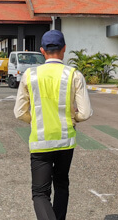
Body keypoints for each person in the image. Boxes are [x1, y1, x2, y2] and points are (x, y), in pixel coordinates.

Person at [14, 30, 92, 220]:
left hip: (40, 141)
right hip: (65, 141)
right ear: (64, 49)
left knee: (40, 193)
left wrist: (35, 121)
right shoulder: (74, 74)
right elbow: (85, 113)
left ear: (42, 51)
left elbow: (19, 112)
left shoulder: (30, 75)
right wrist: (73, 119)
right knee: (62, 185)